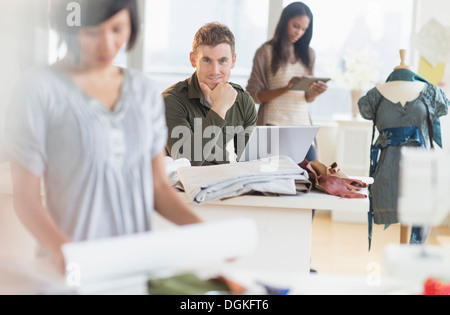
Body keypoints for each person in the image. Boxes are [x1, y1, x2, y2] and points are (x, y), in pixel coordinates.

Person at [5, 0, 202, 272]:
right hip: (68, 273)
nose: (107, 44)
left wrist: (203, 232)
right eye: (92, 32)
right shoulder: (39, 89)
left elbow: (157, 188)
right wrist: (64, 252)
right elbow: (25, 197)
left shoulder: (144, 92)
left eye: (118, 29)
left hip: (135, 268)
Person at [163, 22, 258, 166]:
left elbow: (249, 161)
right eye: (207, 60)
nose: (215, 70)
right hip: (183, 185)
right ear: (193, 60)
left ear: (233, 61)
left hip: (223, 181)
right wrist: (219, 108)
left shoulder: (243, 101)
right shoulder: (171, 100)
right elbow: (185, 161)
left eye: (222, 61)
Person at [246, 2, 327, 161]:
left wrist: (314, 93)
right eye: (296, 26)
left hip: (302, 128)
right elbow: (253, 94)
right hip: (273, 127)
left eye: (304, 29)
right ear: (285, 21)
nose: (299, 32)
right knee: (273, 180)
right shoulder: (265, 52)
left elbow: (307, 98)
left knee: (310, 178)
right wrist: (287, 88)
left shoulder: (309, 54)